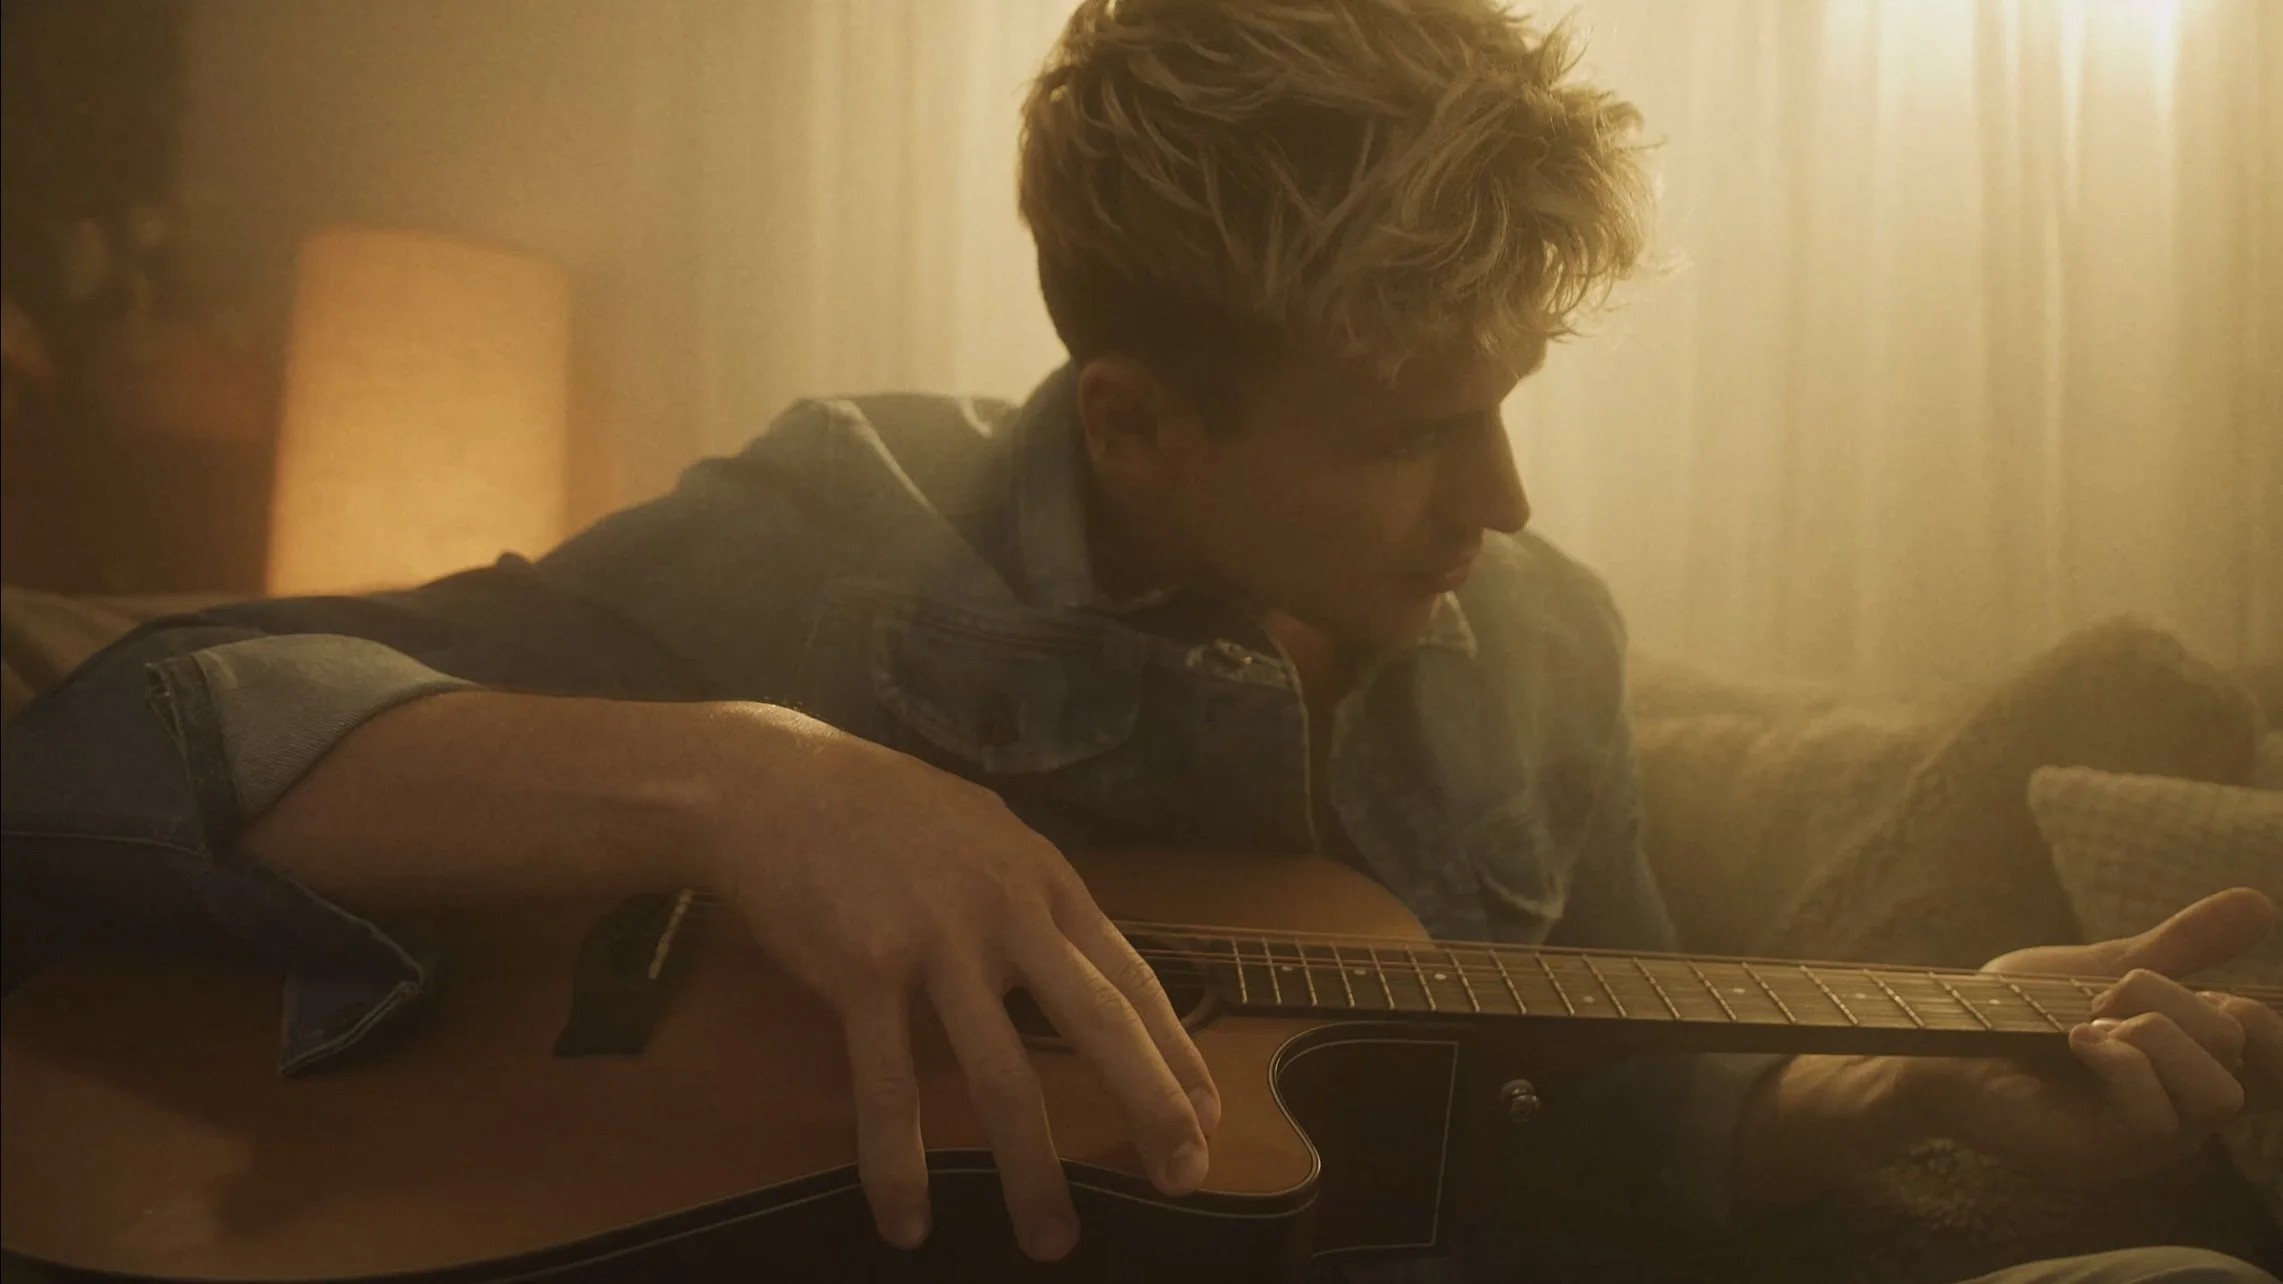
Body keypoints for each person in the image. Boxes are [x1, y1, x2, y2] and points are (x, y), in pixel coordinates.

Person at [3, 2, 2277, 1281]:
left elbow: (1618, 1123)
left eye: (1510, 403)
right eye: (1414, 433)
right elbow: (108, 743)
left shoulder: (1542, 649)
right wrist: (752, 778)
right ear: (1138, 425)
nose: (1503, 504)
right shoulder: (839, 537)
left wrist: (1889, 1084)